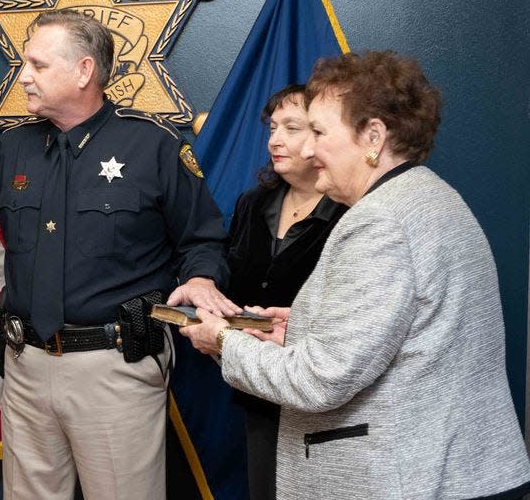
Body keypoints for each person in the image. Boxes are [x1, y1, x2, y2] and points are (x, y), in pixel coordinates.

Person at [180, 51, 530, 499]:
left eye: (320, 132)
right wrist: (302, 330)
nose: (308, 149)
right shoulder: (430, 196)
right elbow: (410, 337)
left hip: (410, 480)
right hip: (457, 471)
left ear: (373, 136)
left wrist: (225, 341)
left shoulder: (379, 221)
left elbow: (318, 382)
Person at [0, 9, 234, 499]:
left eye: (37, 64)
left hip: (114, 366)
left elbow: (202, 237)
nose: (23, 76)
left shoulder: (151, 145)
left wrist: (200, 280)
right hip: (25, 363)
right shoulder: (12, 147)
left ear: (84, 71)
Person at [225, 84, 347, 500]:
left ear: (322, 133)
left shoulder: (352, 213)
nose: (274, 139)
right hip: (258, 388)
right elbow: (233, 281)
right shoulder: (252, 203)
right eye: (272, 127)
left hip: (329, 402)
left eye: (291, 128)